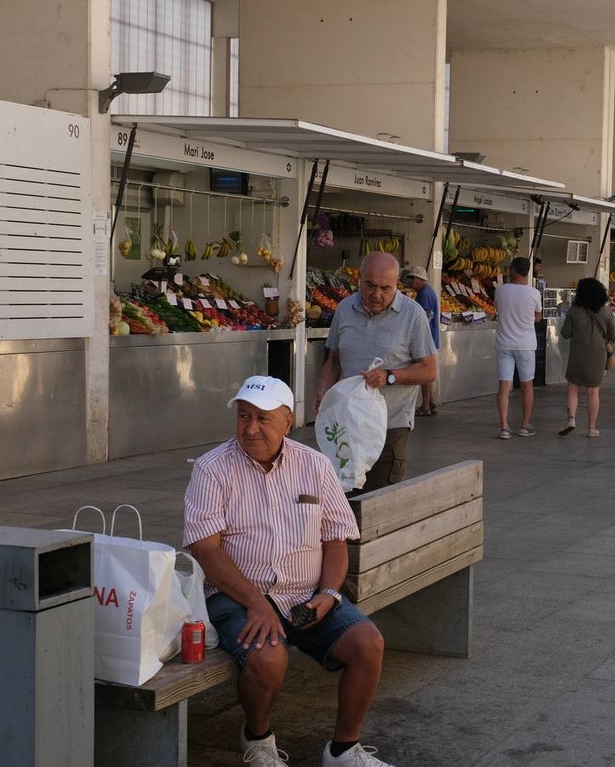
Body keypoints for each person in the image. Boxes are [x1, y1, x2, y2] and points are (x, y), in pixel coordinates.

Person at [183, 376, 396, 767]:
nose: (250, 428)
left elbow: (336, 540)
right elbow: (205, 549)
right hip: (236, 597)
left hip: (304, 593)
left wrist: (329, 595)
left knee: (368, 643)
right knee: (268, 659)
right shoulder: (213, 469)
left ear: (287, 420)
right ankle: (257, 738)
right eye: (243, 416)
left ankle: (343, 750)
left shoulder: (314, 465)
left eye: (263, 419)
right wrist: (256, 603)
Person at [316, 251, 437, 491]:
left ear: (396, 285)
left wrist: (389, 376)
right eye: (370, 285)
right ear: (359, 279)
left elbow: (429, 370)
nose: (376, 294)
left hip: (390, 426)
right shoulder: (344, 309)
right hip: (346, 422)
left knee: (378, 500)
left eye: (385, 288)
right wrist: (323, 393)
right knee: (342, 497)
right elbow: (333, 359)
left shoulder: (413, 314)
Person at [560, 277, 615, 438]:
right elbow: (614, 335)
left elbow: (565, 333)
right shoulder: (606, 312)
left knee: (573, 388)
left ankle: (571, 419)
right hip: (598, 355)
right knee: (593, 392)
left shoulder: (574, 310)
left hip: (577, 355)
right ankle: (592, 428)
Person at [493, 256, 542, 439]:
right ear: (528, 271)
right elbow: (538, 317)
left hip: (504, 344)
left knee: (504, 387)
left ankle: (504, 427)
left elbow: (498, 310)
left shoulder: (501, 291)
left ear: (513, 270)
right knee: (527, 386)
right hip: (526, 345)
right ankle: (524, 424)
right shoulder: (534, 293)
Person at [403, 265, 439, 417]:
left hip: (426, 339)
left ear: (418, 279)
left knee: (424, 374)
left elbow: (424, 317)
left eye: (411, 278)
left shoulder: (424, 294)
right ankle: (430, 403)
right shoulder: (427, 292)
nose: (410, 282)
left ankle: (425, 406)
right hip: (430, 338)